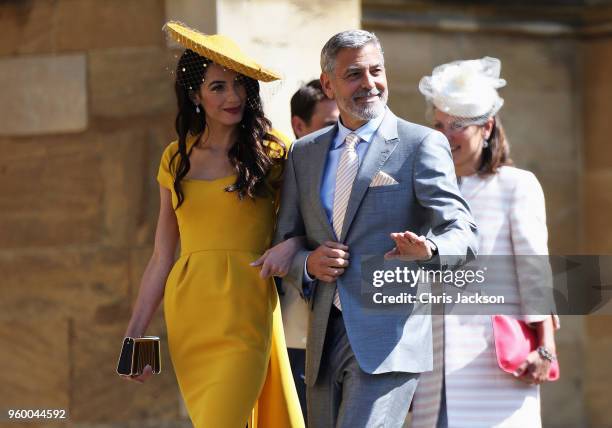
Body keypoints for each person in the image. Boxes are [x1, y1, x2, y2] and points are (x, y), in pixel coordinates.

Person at [274, 30, 478, 427]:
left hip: (389, 337)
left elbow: (463, 229)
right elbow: (287, 239)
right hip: (320, 339)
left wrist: (429, 250)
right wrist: (307, 264)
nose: (369, 83)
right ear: (328, 84)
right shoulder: (304, 153)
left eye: (376, 71)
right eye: (354, 74)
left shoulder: (421, 144)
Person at [119, 21, 304, 428]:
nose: (233, 95)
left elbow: (303, 225)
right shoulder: (175, 157)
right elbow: (162, 255)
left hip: (248, 304)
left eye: (239, 84)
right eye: (218, 86)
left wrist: (292, 247)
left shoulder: (273, 150)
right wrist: (136, 336)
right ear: (195, 95)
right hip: (191, 312)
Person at [411, 56, 558, 428]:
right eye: (439, 125)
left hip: (496, 366)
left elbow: (534, 270)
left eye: (458, 125)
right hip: (432, 372)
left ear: (487, 126)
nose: (445, 136)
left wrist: (546, 348)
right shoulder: (424, 193)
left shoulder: (516, 185)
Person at [282, 79, 340, 420]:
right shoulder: (276, 175)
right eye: (330, 125)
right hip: (296, 340)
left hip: (351, 343)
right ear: (299, 126)